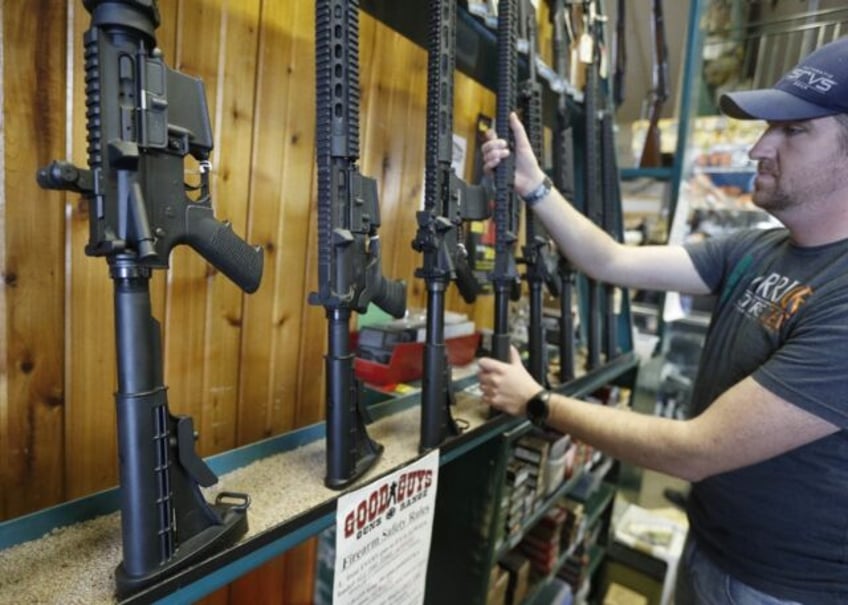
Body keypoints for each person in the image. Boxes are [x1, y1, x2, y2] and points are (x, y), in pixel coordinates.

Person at [477, 37, 848, 605]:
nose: (758, 149)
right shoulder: (758, 248)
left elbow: (694, 448)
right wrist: (535, 187)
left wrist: (538, 402)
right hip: (707, 545)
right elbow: (610, 260)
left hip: (780, 588)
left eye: (793, 130)